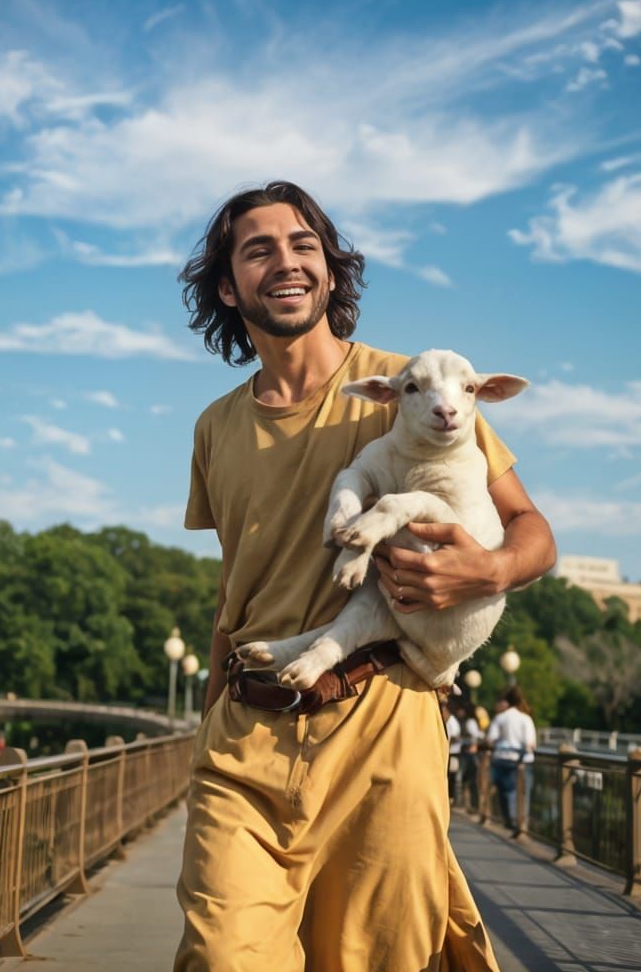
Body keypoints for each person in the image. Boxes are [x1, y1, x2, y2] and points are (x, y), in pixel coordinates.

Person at [173, 181, 556, 971]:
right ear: (228, 286)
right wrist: (207, 720)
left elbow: (532, 530)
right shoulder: (214, 427)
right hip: (246, 733)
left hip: (383, 722)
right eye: (259, 250)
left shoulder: (416, 386)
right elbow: (234, 588)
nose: (286, 262)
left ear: (328, 268)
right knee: (221, 957)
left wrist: (486, 571)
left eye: (303, 245)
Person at [487, 685, 537, 832]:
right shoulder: (525, 718)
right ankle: (521, 824)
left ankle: (509, 821)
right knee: (523, 793)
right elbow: (530, 744)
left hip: (501, 758)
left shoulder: (500, 717)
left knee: (505, 792)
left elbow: (490, 739)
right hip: (521, 761)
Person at [458, 702, 483, 812]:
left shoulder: (470, 722)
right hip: (469, 753)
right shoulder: (471, 722)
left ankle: (471, 805)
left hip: (469, 753)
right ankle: (469, 804)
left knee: (469, 779)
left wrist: (470, 744)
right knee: (469, 780)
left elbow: (474, 736)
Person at [443, 700, 463, 804]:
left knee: (451, 777)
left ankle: (451, 798)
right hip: (448, 753)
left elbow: (455, 737)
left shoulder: (452, 721)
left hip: (453, 753)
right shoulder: (446, 721)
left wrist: (446, 744)